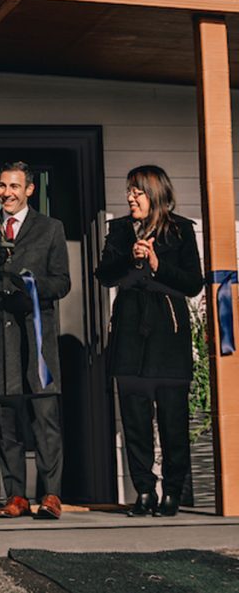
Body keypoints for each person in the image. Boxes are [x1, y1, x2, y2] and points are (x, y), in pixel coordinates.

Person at [96, 165, 201, 518]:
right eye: (129, 191)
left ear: (155, 194)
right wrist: (131, 257)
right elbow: (104, 275)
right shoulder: (120, 231)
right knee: (135, 421)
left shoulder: (182, 230)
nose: (130, 198)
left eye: (137, 192)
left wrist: (157, 263)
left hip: (168, 337)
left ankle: (173, 490)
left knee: (173, 421)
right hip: (129, 336)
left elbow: (193, 283)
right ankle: (144, 490)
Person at [0, 161, 70, 520]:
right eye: (1, 186)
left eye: (14, 186)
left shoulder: (51, 229)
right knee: (5, 421)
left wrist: (33, 285)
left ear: (29, 190)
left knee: (45, 420)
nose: (6, 193)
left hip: (36, 335)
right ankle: (15, 495)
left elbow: (63, 282)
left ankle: (51, 493)